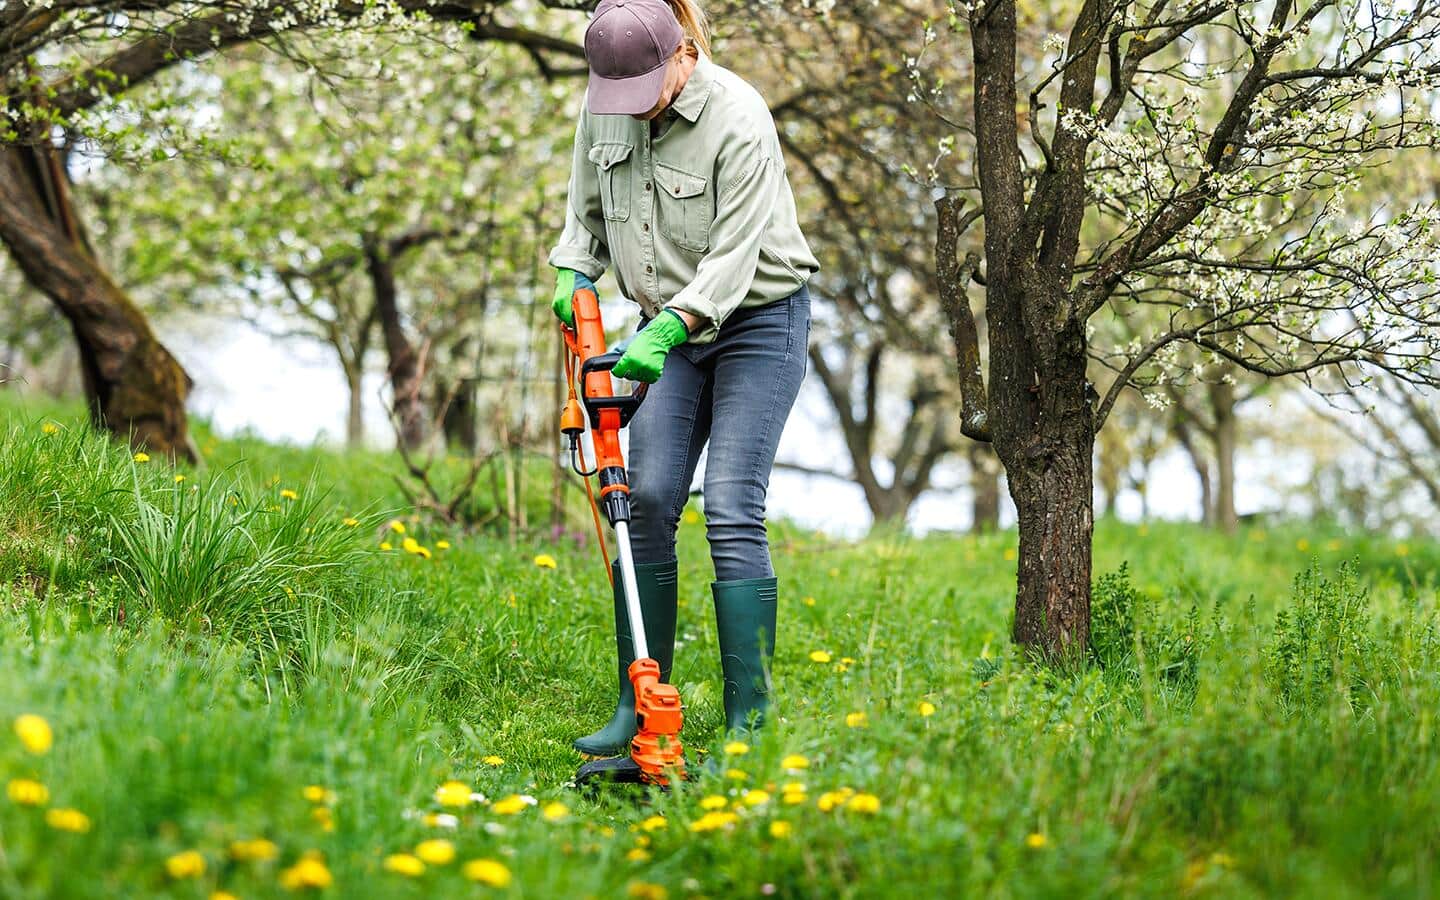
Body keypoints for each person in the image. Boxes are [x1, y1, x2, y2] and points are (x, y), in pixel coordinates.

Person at [546, 0, 819, 756]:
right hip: (660, 327)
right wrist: (574, 272)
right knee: (650, 496)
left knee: (731, 506)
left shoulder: (739, 119)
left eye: (645, 88)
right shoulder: (607, 102)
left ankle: (749, 726)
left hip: (757, 322)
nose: (629, 109)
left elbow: (734, 259)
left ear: (679, 56)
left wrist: (670, 326)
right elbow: (583, 219)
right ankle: (639, 704)